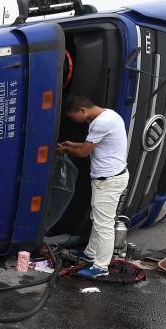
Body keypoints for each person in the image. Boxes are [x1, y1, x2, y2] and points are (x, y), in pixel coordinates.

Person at [57, 94, 130, 278]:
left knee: (103, 224)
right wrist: (71, 143)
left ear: (83, 110)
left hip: (108, 180)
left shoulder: (99, 123)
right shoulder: (109, 115)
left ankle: (100, 267)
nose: (74, 121)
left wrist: (65, 149)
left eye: (73, 117)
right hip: (113, 177)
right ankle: (90, 255)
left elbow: (83, 152)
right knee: (97, 219)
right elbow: (94, 145)